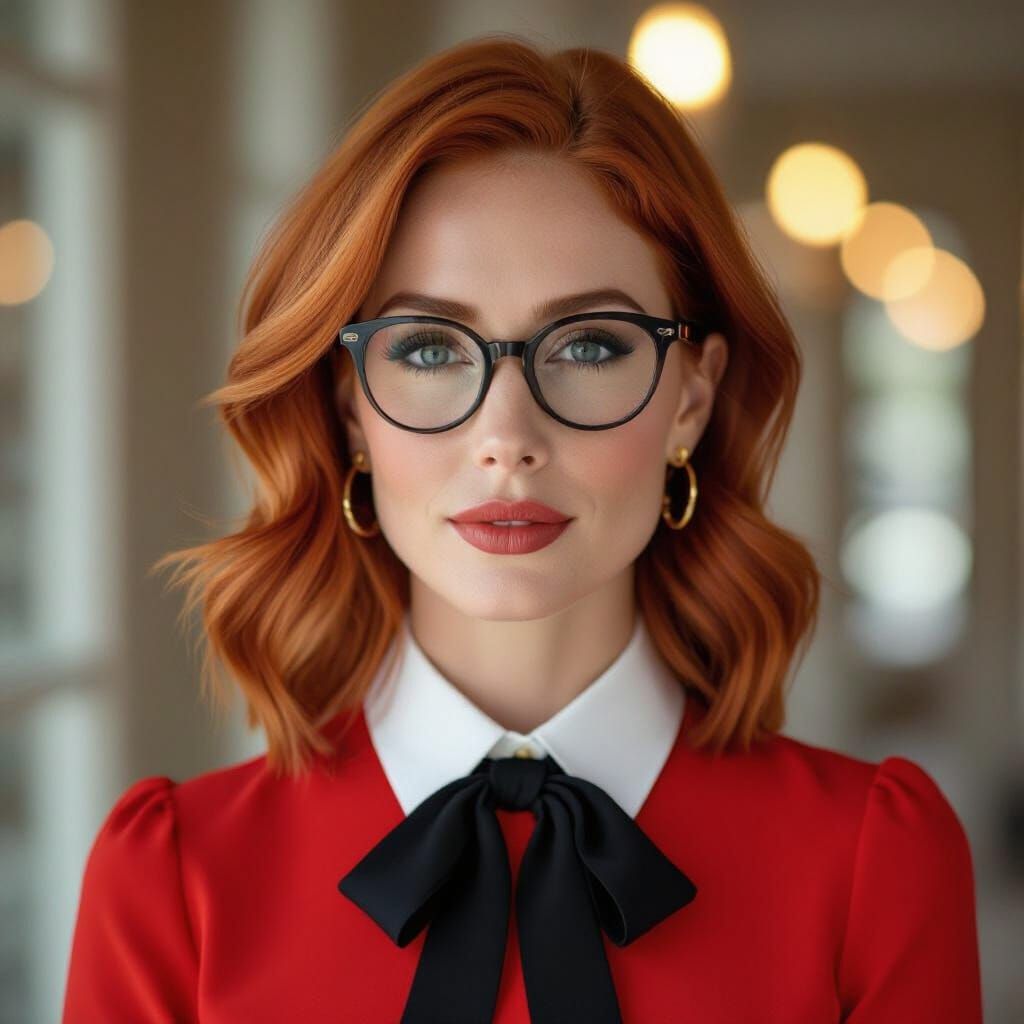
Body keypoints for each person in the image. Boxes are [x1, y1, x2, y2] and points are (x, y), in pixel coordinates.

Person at [62, 34, 983, 1023]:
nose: (507, 437)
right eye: (428, 348)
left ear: (691, 397)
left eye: (589, 345)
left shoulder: (874, 861)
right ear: (348, 405)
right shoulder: (174, 881)